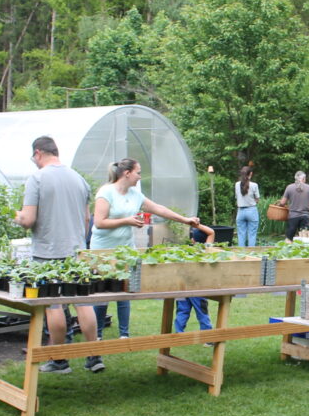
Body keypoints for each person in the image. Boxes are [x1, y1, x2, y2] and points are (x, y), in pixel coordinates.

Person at [15, 136, 101, 374]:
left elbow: (29, 219)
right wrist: (78, 242)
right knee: (82, 302)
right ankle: (94, 357)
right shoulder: (79, 179)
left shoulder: (37, 179)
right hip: (75, 252)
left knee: (54, 306)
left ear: (38, 152)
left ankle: (59, 360)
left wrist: (18, 217)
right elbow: (86, 219)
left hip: (47, 253)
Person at [91, 157, 201, 340]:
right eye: (138, 172)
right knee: (103, 293)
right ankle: (98, 335)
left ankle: (124, 335)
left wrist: (185, 219)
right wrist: (127, 221)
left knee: (126, 289)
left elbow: (159, 209)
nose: (140, 176)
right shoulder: (106, 192)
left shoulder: (135, 195)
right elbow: (99, 222)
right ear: (127, 173)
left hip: (126, 249)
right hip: (103, 249)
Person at [175, 222, 216, 342]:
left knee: (181, 311)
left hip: (182, 287)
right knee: (202, 313)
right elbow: (211, 232)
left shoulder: (186, 252)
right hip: (198, 288)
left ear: (193, 240)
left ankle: (179, 336)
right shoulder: (206, 249)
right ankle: (208, 339)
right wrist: (197, 225)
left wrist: (190, 223)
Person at [278, 171, 309, 242]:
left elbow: (283, 202)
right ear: (304, 179)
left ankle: (287, 252)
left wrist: (280, 204)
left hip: (293, 216)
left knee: (289, 239)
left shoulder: (289, 187)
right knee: (305, 239)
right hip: (305, 216)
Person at [234, 166, 260, 247]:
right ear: (251, 174)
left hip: (240, 211)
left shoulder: (237, 184)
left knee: (241, 235)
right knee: (252, 235)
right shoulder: (254, 185)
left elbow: (236, 197)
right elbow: (257, 199)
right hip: (251, 210)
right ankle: (251, 253)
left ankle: (241, 254)